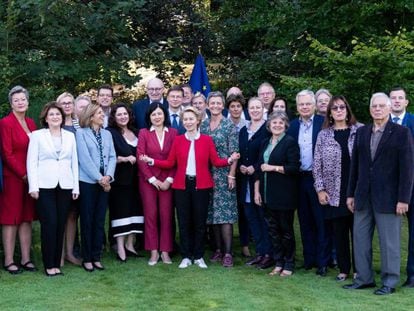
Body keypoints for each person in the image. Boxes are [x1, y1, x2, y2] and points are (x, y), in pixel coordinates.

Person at [140, 106, 239, 269]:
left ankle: (199, 256)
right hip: (181, 185)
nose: (188, 122)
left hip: (202, 185)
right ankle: (186, 256)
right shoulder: (178, 140)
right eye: (185, 119)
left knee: (199, 222)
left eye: (191, 119)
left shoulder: (207, 140)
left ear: (198, 120)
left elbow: (215, 161)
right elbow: (170, 163)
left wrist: (229, 160)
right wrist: (152, 161)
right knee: (184, 221)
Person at [344, 93, 414, 295]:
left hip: (390, 198)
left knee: (389, 242)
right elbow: (355, 167)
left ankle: (390, 282)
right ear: (370, 109)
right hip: (363, 197)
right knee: (360, 239)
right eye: (374, 106)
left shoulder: (402, 133)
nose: (377, 109)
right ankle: (364, 279)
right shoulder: (362, 132)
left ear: (390, 107)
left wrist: (403, 199)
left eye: (381, 106)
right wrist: (350, 194)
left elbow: (408, 169)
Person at [313, 96, 362, 282]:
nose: (339, 110)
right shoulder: (323, 135)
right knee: (339, 233)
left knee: (358, 233)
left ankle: (360, 269)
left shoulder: (360, 131)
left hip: (356, 190)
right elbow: (317, 165)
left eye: (342, 107)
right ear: (330, 113)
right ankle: (344, 269)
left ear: (347, 110)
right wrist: (320, 189)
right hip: (333, 193)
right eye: (335, 108)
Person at [27, 102, 79, 276]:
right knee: (50, 224)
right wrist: (33, 186)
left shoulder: (70, 136)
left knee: (60, 224)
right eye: (52, 115)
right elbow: (31, 162)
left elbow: (74, 162)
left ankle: (57, 264)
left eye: (58, 114)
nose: (55, 117)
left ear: (62, 117)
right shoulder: (37, 136)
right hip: (44, 186)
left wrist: (75, 187)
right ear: (46, 118)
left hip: (65, 185)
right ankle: (49, 265)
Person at [286, 89, 329, 276]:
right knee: (304, 221)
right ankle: (309, 259)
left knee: (321, 221)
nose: (304, 107)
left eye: (307, 104)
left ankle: (323, 262)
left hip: (318, 179)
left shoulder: (323, 123)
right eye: (301, 104)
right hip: (299, 179)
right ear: (297, 107)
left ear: (314, 106)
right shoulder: (293, 126)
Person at [254, 111, 300, 276]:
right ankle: (278, 261)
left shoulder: (289, 142)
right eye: (274, 123)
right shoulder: (265, 142)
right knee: (273, 230)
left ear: (285, 125)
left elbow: (294, 168)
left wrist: (274, 168)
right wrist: (257, 191)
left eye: (281, 123)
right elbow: (259, 168)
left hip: (284, 194)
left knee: (286, 230)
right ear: (269, 125)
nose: (277, 125)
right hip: (267, 193)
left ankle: (289, 263)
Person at [0, 85, 37, 274]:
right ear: (11, 104)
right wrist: (23, 174)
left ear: (27, 101)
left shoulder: (31, 123)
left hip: (31, 179)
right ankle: (8, 260)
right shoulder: (5, 123)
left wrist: (33, 176)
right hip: (13, 178)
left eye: (23, 99)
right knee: (11, 218)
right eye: (16, 100)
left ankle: (26, 258)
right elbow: (7, 153)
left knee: (26, 218)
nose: (20, 102)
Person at [201, 91, 239, 268]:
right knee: (212, 213)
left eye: (218, 103)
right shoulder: (204, 125)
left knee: (225, 215)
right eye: (212, 103)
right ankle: (218, 249)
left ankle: (229, 253)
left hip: (224, 175)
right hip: (207, 174)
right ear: (208, 105)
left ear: (223, 106)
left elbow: (235, 153)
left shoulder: (229, 125)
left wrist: (232, 174)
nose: (215, 106)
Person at [76, 103, 116, 272]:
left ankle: (96, 256)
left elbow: (113, 156)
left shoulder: (107, 134)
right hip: (88, 182)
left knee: (99, 220)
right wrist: (100, 179)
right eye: (99, 113)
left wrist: (108, 177)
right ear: (91, 116)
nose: (103, 115)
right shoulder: (81, 134)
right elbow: (84, 160)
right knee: (87, 220)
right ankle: (87, 258)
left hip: (104, 182)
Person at [137, 103, 177, 265]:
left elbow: (176, 159)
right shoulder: (144, 133)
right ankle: (153, 251)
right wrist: (152, 180)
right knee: (151, 215)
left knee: (166, 216)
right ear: (149, 117)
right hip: (149, 181)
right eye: (154, 114)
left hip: (167, 181)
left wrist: (169, 180)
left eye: (160, 114)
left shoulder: (173, 133)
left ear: (164, 115)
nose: (157, 117)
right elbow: (141, 157)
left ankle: (166, 251)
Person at [107, 103, 144, 262]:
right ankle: (120, 247)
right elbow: (106, 156)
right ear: (114, 117)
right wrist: (122, 159)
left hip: (137, 180)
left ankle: (130, 245)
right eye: (119, 114)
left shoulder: (137, 132)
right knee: (121, 213)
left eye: (125, 114)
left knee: (135, 212)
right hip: (120, 182)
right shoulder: (110, 133)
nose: (123, 117)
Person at [238, 97, 272, 264]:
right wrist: (241, 167)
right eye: (252, 108)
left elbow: (269, 153)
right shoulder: (244, 130)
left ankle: (268, 254)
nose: (255, 110)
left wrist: (255, 167)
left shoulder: (268, 129)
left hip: (261, 180)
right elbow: (241, 153)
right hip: (245, 182)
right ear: (248, 110)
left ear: (263, 108)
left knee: (263, 218)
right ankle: (259, 253)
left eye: (258, 107)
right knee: (251, 217)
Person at [389, 87, 414, 288]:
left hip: (412, 185)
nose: (397, 101)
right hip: (388, 188)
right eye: (393, 98)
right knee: (388, 231)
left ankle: (412, 274)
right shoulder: (381, 123)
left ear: (406, 102)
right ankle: (389, 270)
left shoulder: (413, 122)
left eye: (400, 98)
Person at [56, 92, 81, 266]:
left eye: (69, 103)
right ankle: (59, 253)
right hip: (59, 175)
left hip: (78, 174)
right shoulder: (54, 124)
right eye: (63, 103)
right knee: (60, 215)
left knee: (73, 215)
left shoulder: (80, 124)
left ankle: (70, 253)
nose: (67, 106)